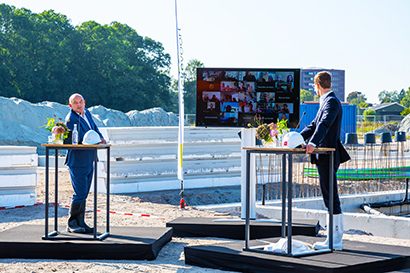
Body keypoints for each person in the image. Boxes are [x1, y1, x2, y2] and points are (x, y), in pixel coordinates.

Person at [300, 71, 350, 250]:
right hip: (323, 156)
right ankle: (332, 239)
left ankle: (335, 240)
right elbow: (313, 125)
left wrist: (312, 142)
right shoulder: (327, 102)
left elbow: (324, 124)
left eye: (314, 86)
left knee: (331, 197)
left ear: (318, 85)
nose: (314, 89)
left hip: (328, 155)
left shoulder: (332, 102)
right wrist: (296, 138)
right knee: (328, 196)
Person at [65, 93, 106, 233]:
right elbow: (81, 138)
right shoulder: (70, 119)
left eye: (80, 101)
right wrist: (95, 140)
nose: (79, 104)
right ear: (71, 105)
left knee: (85, 193)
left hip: (89, 158)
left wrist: (100, 137)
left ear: (84, 102)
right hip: (77, 160)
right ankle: (72, 223)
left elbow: (94, 127)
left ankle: (81, 222)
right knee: (80, 192)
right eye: (75, 102)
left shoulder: (87, 113)